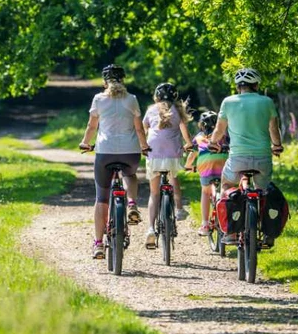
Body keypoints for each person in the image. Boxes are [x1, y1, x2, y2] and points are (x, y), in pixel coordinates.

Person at [78, 64, 150, 260]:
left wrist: (85, 143)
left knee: (101, 198)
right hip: (130, 153)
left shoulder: (99, 99)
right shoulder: (132, 99)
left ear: (104, 82)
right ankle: (133, 203)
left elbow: (92, 126)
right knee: (130, 174)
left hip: (105, 152)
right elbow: (139, 129)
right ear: (123, 80)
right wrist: (144, 146)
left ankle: (99, 244)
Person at [212, 67, 283, 198]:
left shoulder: (228, 102)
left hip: (238, 158)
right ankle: (263, 215)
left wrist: (212, 142)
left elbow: (219, 130)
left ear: (238, 86)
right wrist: (277, 146)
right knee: (264, 192)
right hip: (262, 157)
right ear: (256, 85)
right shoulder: (267, 102)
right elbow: (273, 129)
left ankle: (222, 218)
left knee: (226, 185)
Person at [142, 82, 192, 249]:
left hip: (154, 153)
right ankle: (178, 209)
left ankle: (150, 228)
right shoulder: (177, 112)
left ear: (156, 97)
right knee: (173, 179)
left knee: (154, 193)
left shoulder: (151, 110)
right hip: (172, 154)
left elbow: (144, 128)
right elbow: (185, 132)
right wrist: (189, 143)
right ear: (175, 97)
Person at [184, 111, 227, 236]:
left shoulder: (198, 138)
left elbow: (192, 155)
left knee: (205, 192)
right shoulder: (223, 136)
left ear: (201, 125)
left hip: (206, 169)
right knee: (225, 190)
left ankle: (205, 224)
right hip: (223, 168)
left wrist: (188, 166)